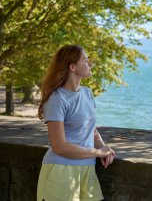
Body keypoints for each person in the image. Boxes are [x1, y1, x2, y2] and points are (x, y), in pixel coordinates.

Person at [37, 45, 115, 201]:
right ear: (72, 67)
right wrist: (98, 153)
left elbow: (90, 129)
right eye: (85, 60)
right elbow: (60, 147)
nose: (90, 64)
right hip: (61, 172)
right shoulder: (57, 99)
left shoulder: (87, 93)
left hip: (87, 169)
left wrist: (102, 146)